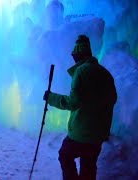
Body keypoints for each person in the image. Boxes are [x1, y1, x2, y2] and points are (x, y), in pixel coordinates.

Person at [43, 35, 117, 180]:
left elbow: (73, 102)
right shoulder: (106, 74)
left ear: (78, 53)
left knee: (65, 155)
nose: (73, 57)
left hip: (81, 133)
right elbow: (112, 99)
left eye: (74, 55)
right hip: (98, 135)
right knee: (88, 165)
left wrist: (51, 97)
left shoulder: (81, 72)